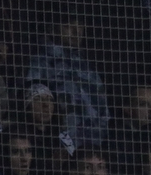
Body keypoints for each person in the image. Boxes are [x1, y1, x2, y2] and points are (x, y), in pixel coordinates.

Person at [26, 11, 111, 150]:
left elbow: (103, 108)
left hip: (95, 146)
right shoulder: (39, 63)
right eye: (68, 26)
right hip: (60, 147)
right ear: (52, 28)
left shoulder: (87, 64)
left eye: (80, 26)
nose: (76, 31)